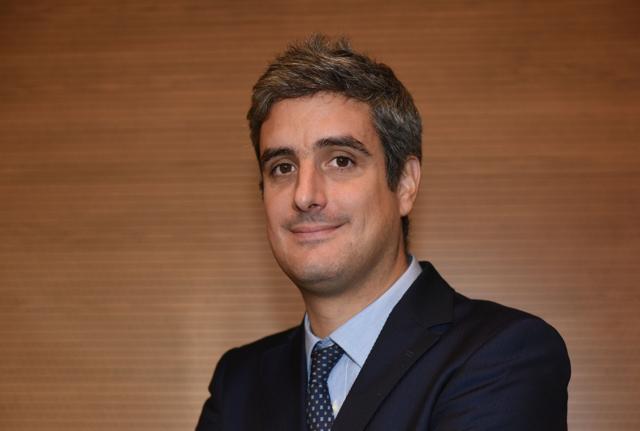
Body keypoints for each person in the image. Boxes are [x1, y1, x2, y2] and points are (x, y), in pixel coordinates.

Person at [196, 34, 570, 431]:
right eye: (282, 168)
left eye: (340, 161)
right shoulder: (238, 382)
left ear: (405, 184)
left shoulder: (503, 355)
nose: (304, 196)